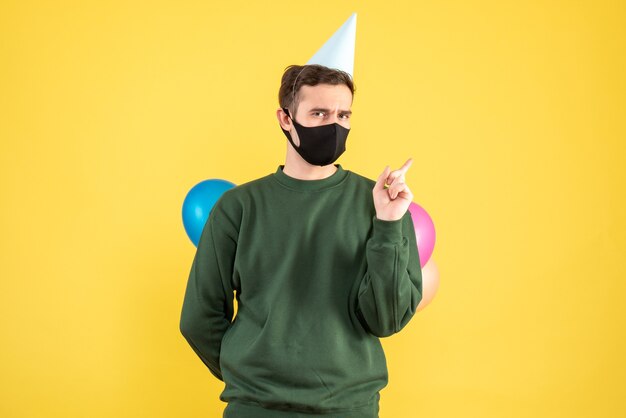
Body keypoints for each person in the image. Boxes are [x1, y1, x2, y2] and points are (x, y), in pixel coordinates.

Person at [179, 63, 423, 418]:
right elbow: (199, 318)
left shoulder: (380, 203)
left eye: (343, 114)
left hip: (348, 409)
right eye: (319, 113)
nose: (334, 125)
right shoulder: (238, 207)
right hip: (255, 410)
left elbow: (387, 320)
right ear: (285, 118)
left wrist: (387, 224)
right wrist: (250, 378)